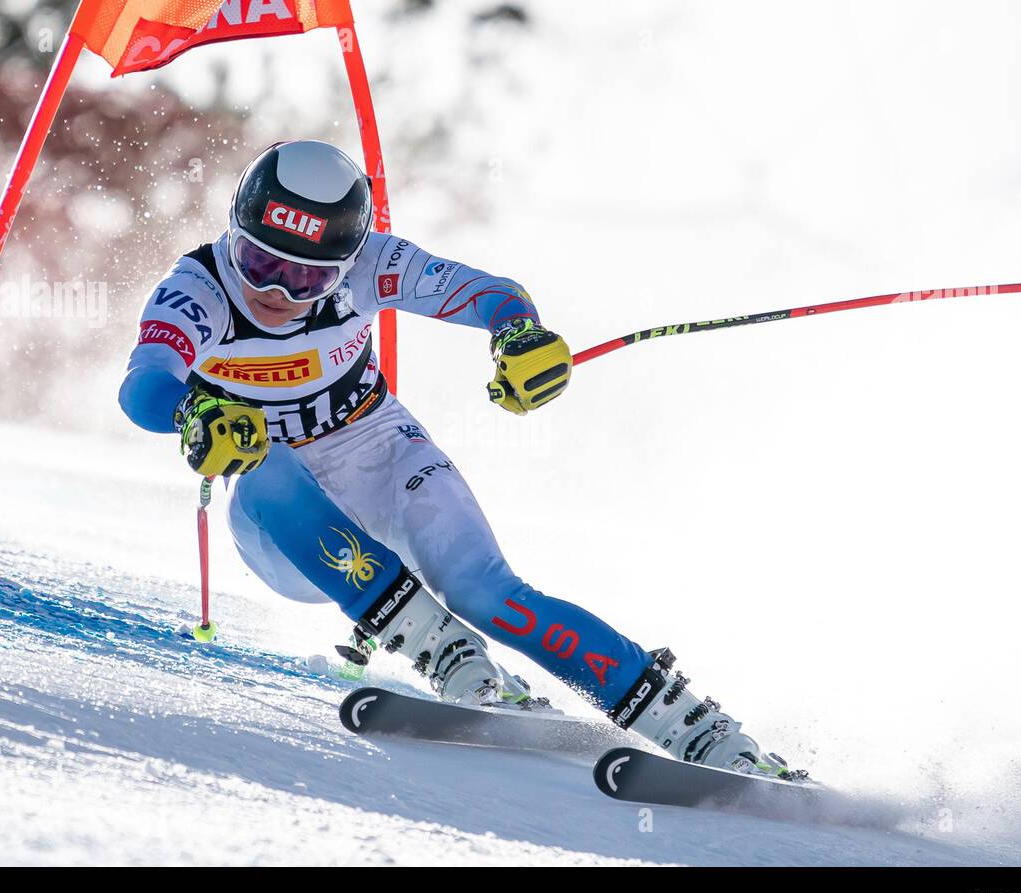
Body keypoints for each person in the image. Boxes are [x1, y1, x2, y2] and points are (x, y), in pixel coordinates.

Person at [118, 139, 801, 779]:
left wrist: (519, 335)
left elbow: (492, 293)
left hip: (379, 447)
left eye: (305, 276)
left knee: (485, 590)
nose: (277, 291)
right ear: (233, 233)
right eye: (260, 260)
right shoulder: (201, 287)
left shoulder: (372, 264)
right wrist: (192, 411)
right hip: (284, 528)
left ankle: (701, 733)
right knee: (261, 461)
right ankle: (446, 652)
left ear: (343, 263)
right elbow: (142, 384)